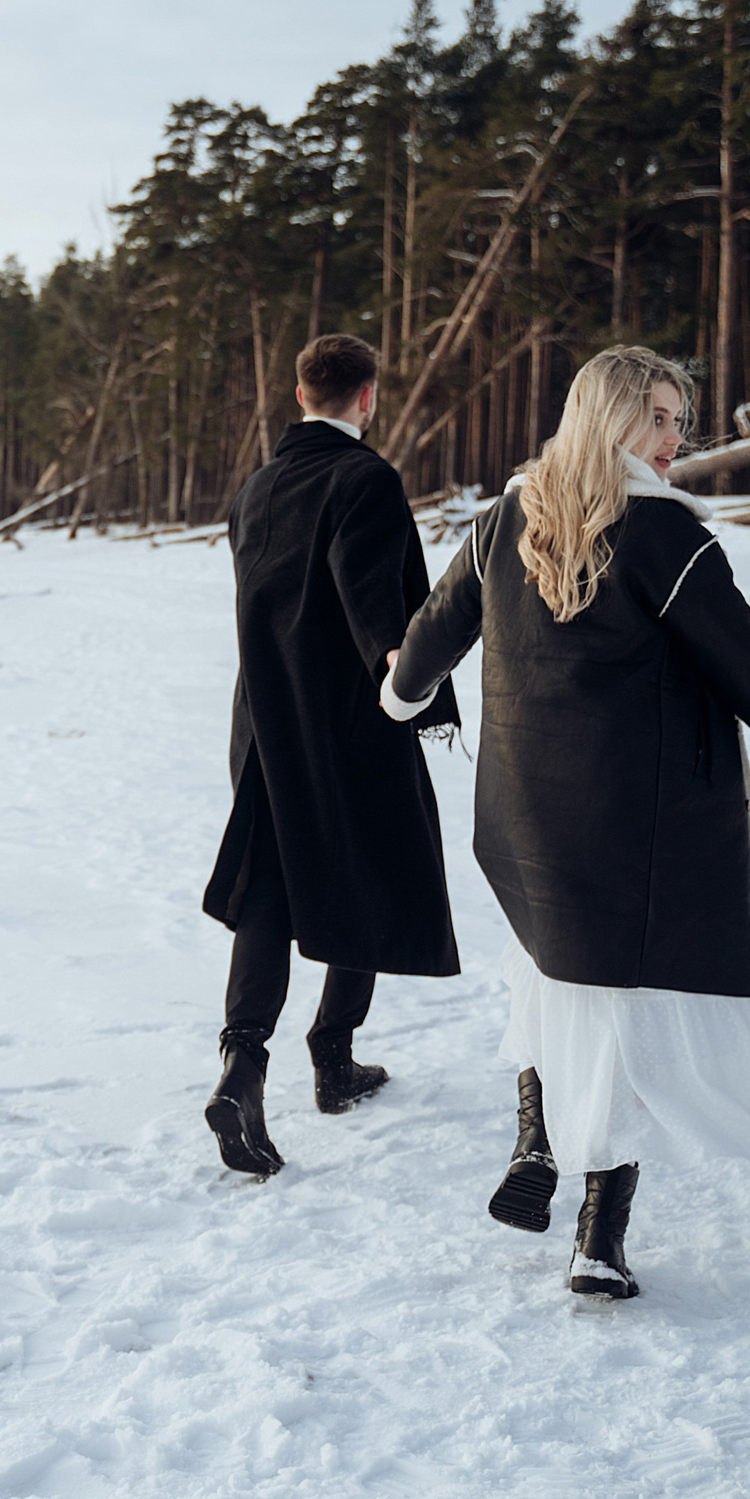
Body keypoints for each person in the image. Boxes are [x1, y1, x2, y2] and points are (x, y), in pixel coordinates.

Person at [384, 344, 750, 1299]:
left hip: (526, 812)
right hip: (638, 819)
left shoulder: (503, 521)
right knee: (623, 1017)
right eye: (657, 416)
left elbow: (429, 638)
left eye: (679, 418)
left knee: (545, 972)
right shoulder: (662, 534)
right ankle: (596, 1238)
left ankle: (535, 1138)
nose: (674, 436)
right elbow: (745, 663)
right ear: (608, 418)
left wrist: (400, 700)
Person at [201, 333, 461, 1177]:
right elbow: (368, 592)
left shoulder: (257, 486)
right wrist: (405, 672)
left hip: (264, 721)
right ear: (368, 397)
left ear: (300, 393)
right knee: (369, 864)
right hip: (347, 716)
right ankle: (334, 1055)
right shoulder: (366, 479)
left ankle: (244, 1061)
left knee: (270, 887)